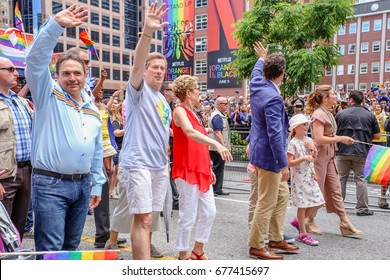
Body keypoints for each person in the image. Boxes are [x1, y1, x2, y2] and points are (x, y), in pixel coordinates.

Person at [25, 4, 105, 254]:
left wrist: (97, 184)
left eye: (77, 73)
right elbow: (35, 59)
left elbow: (95, 149)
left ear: (85, 76)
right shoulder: (46, 94)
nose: (72, 78)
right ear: (56, 76)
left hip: (81, 187)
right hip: (50, 185)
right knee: (51, 250)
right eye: (66, 73)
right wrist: (55, 25)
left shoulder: (91, 106)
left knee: (71, 249)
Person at [119, 2, 171, 260]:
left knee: (146, 219)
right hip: (138, 163)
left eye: (162, 68)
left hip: (159, 166)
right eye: (155, 68)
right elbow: (137, 65)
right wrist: (148, 33)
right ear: (146, 71)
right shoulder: (138, 90)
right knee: (144, 218)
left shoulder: (163, 99)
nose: (159, 71)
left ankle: (139, 261)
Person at [171, 75, 232, 260]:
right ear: (188, 93)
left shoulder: (194, 113)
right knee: (188, 214)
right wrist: (217, 145)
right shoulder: (180, 110)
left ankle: (198, 250)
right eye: (198, 90)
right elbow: (189, 133)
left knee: (209, 211)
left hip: (201, 168)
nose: (200, 93)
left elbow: (199, 144)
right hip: (187, 167)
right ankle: (183, 254)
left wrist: (208, 167)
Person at [247, 42, 299, 260]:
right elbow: (275, 134)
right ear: (283, 74)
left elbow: (255, 73)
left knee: (281, 194)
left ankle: (276, 237)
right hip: (269, 157)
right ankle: (257, 245)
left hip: (259, 153)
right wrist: (283, 163)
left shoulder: (258, 85)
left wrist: (261, 58)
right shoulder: (274, 97)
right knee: (266, 200)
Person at [305, 85, 363, 238]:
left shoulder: (328, 113)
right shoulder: (319, 114)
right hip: (319, 157)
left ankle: (344, 222)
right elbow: (318, 138)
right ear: (325, 98)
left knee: (336, 189)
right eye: (333, 94)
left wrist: (340, 139)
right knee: (318, 190)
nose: (336, 96)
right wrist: (340, 138)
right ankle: (308, 220)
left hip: (330, 155)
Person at [0, 58, 33, 240]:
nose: (16, 73)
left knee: (18, 225)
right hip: (4, 175)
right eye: (10, 69)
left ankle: (14, 260)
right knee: (1, 228)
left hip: (26, 171)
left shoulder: (21, 102)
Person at [335, 90, 380, 216]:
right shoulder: (370, 115)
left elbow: (334, 132)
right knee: (361, 179)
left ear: (350, 100)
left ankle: (338, 206)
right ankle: (362, 208)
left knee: (341, 178)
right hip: (361, 151)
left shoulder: (341, 114)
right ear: (362, 100)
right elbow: (376, 136)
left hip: (342, 150)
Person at [287, 114, 324, 246]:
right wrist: (304, 158)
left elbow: (313, 159)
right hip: (299, 177)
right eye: (304, 125)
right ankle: (303, 233)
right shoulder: (293, 143)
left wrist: (313, 151)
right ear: (296, 128)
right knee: (302, 205)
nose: (306, 127)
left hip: (309, 176)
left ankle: (299, 221)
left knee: (319, 201)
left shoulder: (308, 140)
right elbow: (289, 162)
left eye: (307, 125)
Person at [161, 81, 179, 210]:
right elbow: (164, 126)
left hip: (171, 144)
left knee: (170, 173)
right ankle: (171, 200)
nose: (175, 92)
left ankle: (173, 199)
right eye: (172, 90)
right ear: (166, 91)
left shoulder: (171, 105)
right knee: (167, 173)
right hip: (165, 145)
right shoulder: (161, 104)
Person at [208, 97, 231, 196]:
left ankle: (217, 188)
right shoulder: (217, 116)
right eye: (225, 104)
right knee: (217, 168)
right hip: (216, 147)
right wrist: (223, 147)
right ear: (218, 105)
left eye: (227, 104)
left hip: (217, 147)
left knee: (219, 168)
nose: (227, 105)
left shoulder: (221, 115)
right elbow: (218, 133)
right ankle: (214, 188)